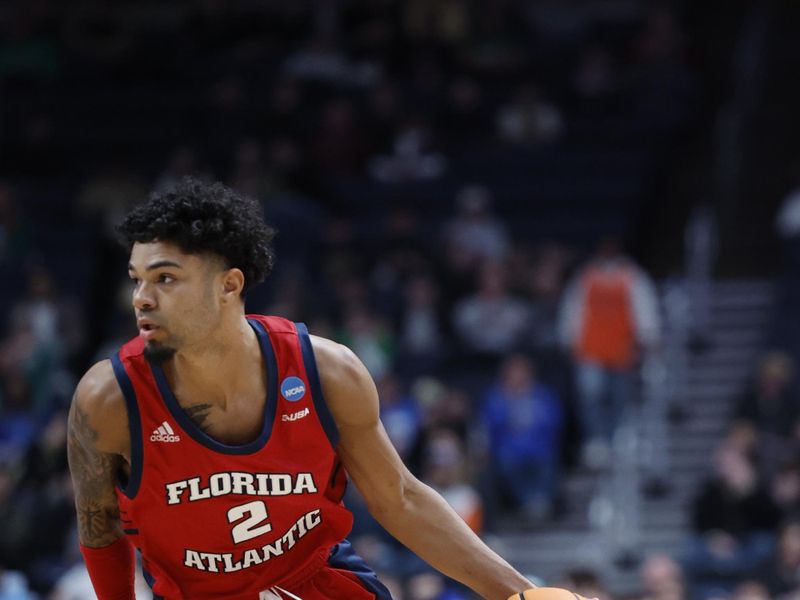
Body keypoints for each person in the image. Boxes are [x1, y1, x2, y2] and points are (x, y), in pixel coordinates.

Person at [66, 177, 589, 600]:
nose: (141, 298)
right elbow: (99, 530)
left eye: (165, 278)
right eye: (136, 278)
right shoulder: (107, 400)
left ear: (229, 285)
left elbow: (400, 498)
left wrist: (519, 593)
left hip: (314, 586)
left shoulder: (326, 371)